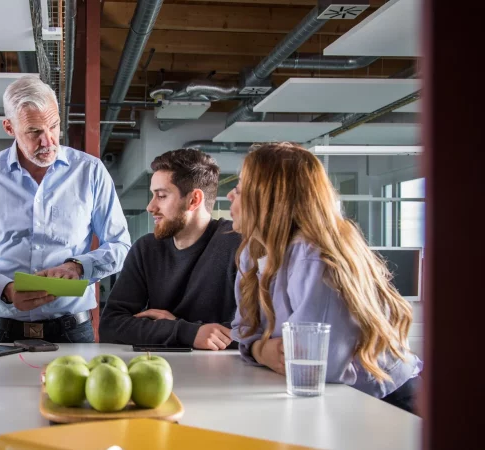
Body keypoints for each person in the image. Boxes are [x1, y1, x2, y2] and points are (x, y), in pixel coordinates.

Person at [228, 142, 422, 414]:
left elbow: (315, 364)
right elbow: (243, 332)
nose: (230, 196)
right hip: (337, 401)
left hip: (386, 401)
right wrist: (262, 350)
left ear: (268, 198)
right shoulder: (253, 251)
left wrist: (265, 349)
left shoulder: (314, 257)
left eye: (238, 189)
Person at [0, 75, 131, 343]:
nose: (48, 141)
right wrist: (7, 290)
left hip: (72, 331)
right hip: (3, 331)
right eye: (34, 131)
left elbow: (120, 245)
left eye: (54, 126)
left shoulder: (90, 171)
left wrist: (78, 267)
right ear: (9, 127)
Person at [100, 149, 241, 349]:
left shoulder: (237, 244)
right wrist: (186, 332)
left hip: (225, 373)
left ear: (194, 200)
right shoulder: (146, 249)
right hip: (157, 367)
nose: (150, 206)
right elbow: (110, 326)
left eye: (162, 196)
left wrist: (173, 327)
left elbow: (253, 333)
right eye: (153, 195)